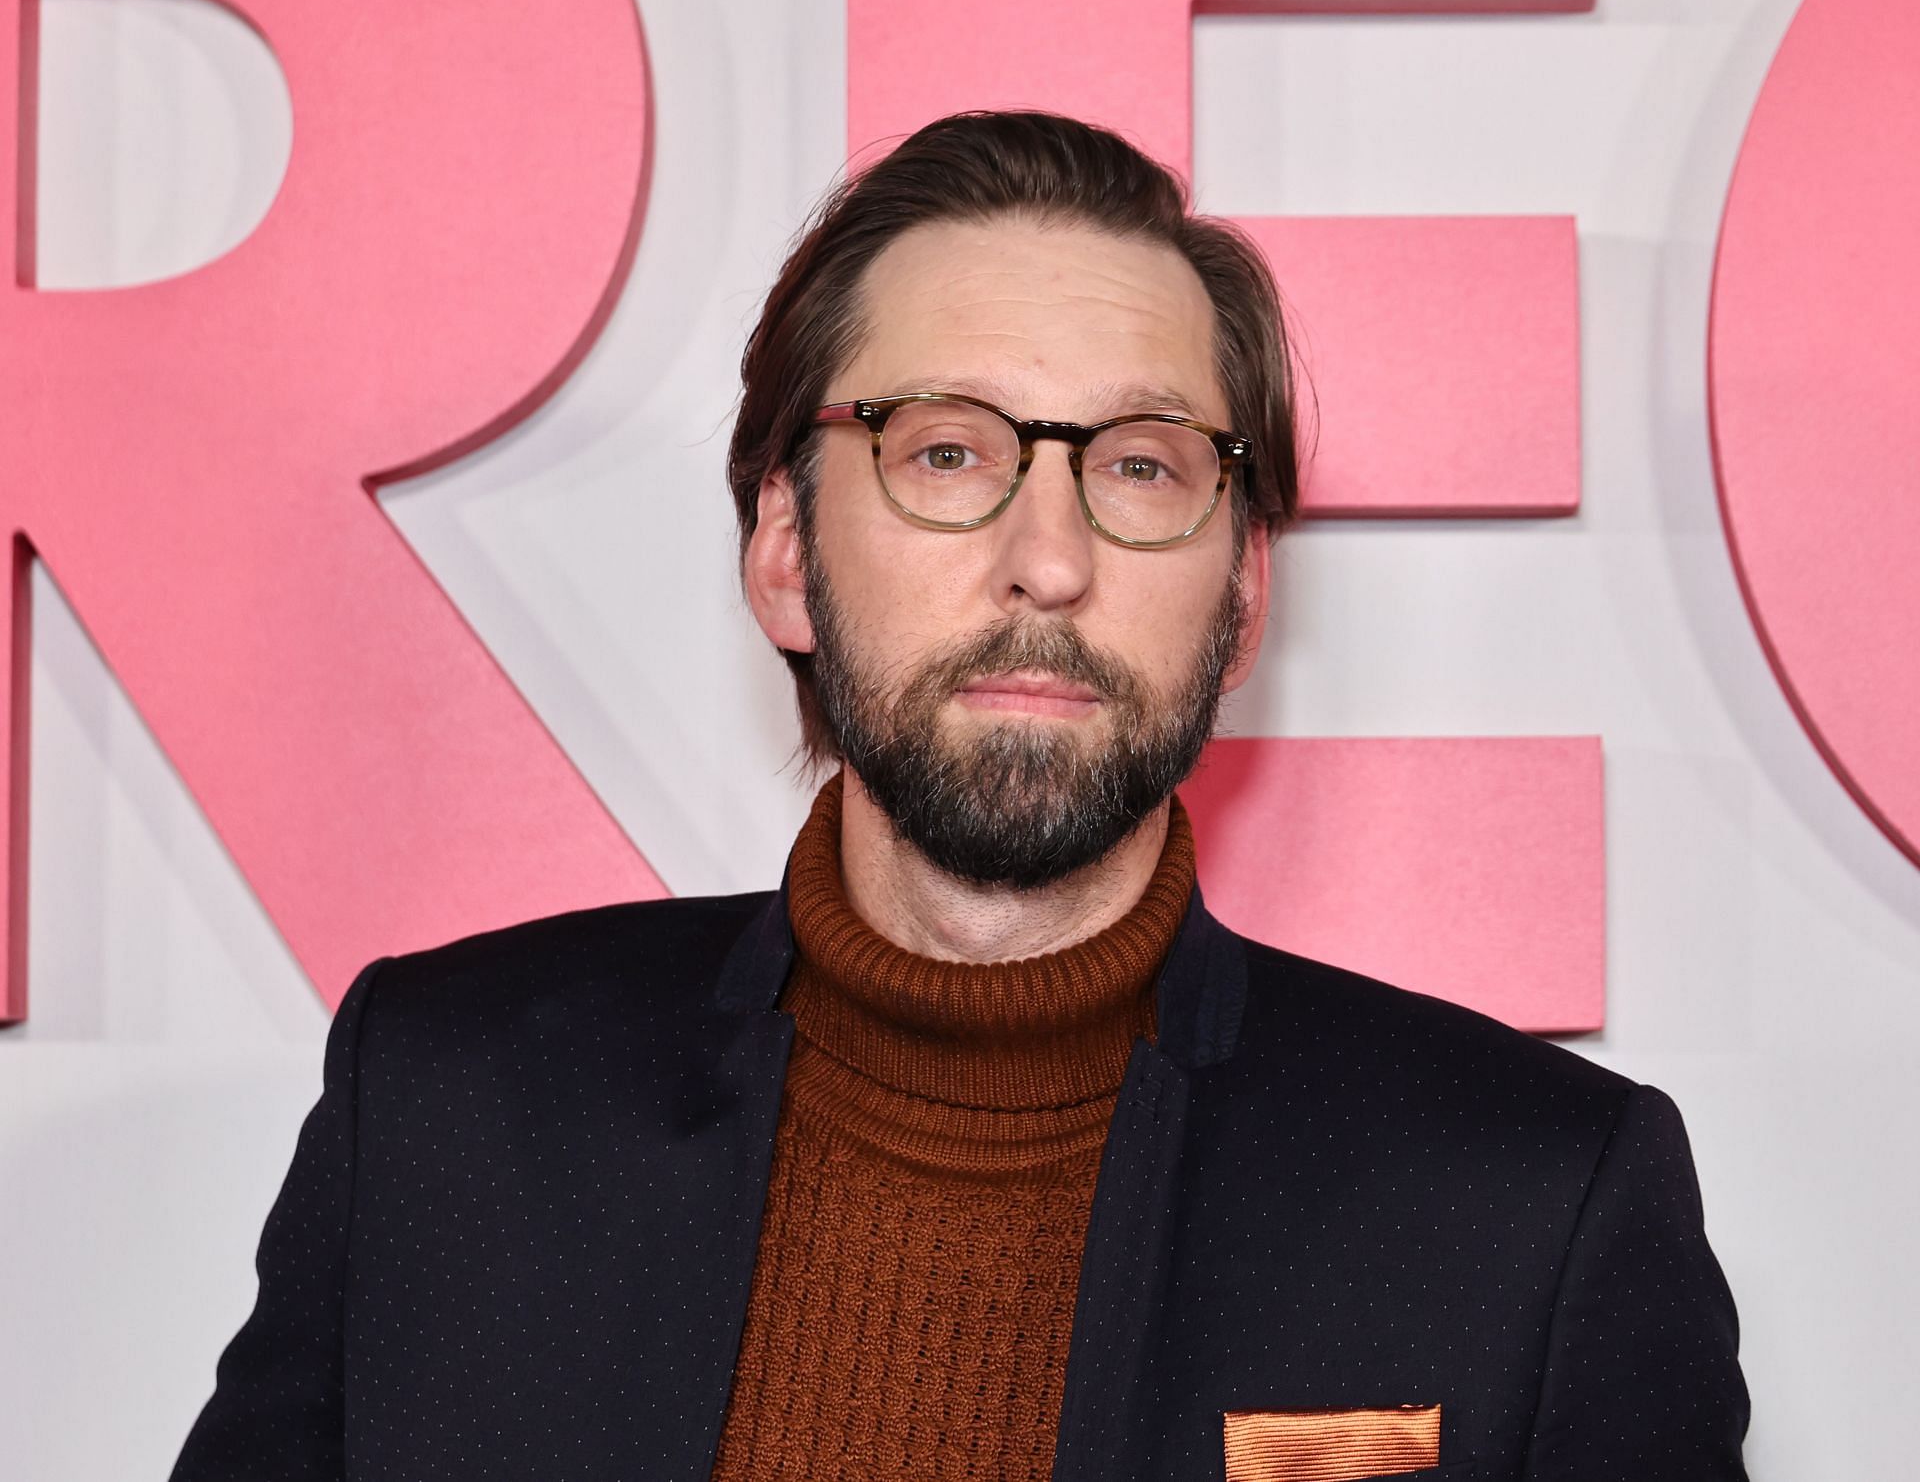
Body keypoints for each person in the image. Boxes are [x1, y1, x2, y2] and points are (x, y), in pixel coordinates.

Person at [169, 111, 1749, 1482]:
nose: (1048, 560)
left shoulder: (1535, 1202)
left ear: (1244, 588)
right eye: (944, 453)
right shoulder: (444, 1111)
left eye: (1140, 465)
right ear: (786, 548)